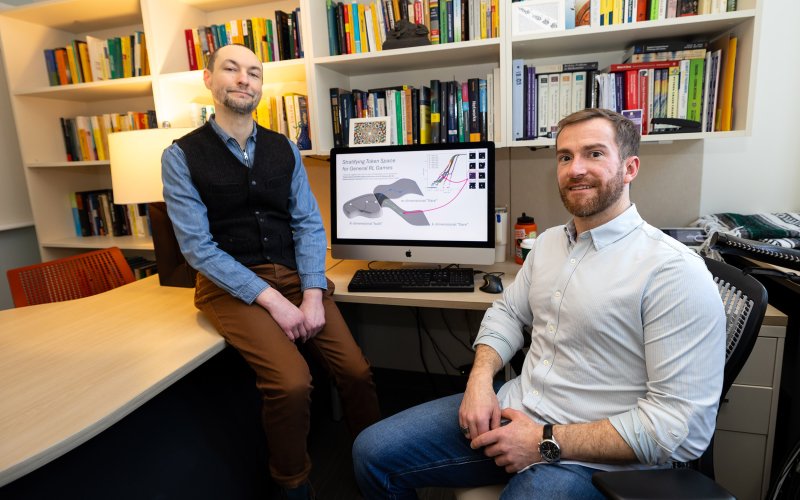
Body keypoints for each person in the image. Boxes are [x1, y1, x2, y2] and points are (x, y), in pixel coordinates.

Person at [352, 108, 726, 499]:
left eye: (594, 154)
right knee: (371, 453)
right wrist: (479, 382)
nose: (575, 168)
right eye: (565, 157)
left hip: (597, 459)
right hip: (514, 413)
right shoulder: (548, 244)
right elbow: (508, 312)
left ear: (630, 168)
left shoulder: (672, 271)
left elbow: (680, 428)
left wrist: (543, 440)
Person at [161, 43, 380, 499]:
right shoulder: (180, 156)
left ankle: (377, 457)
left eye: (254, 73)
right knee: (292, 382)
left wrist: (313, 293)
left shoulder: (284, 149)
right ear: (209, 78)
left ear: (261, 86)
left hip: (295, 276)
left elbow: (307, 224)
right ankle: (292, 481)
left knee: (356, 372)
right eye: (231, 69)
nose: (244, 79)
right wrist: (276, 303)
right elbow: (198, 248)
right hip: (229, 285)